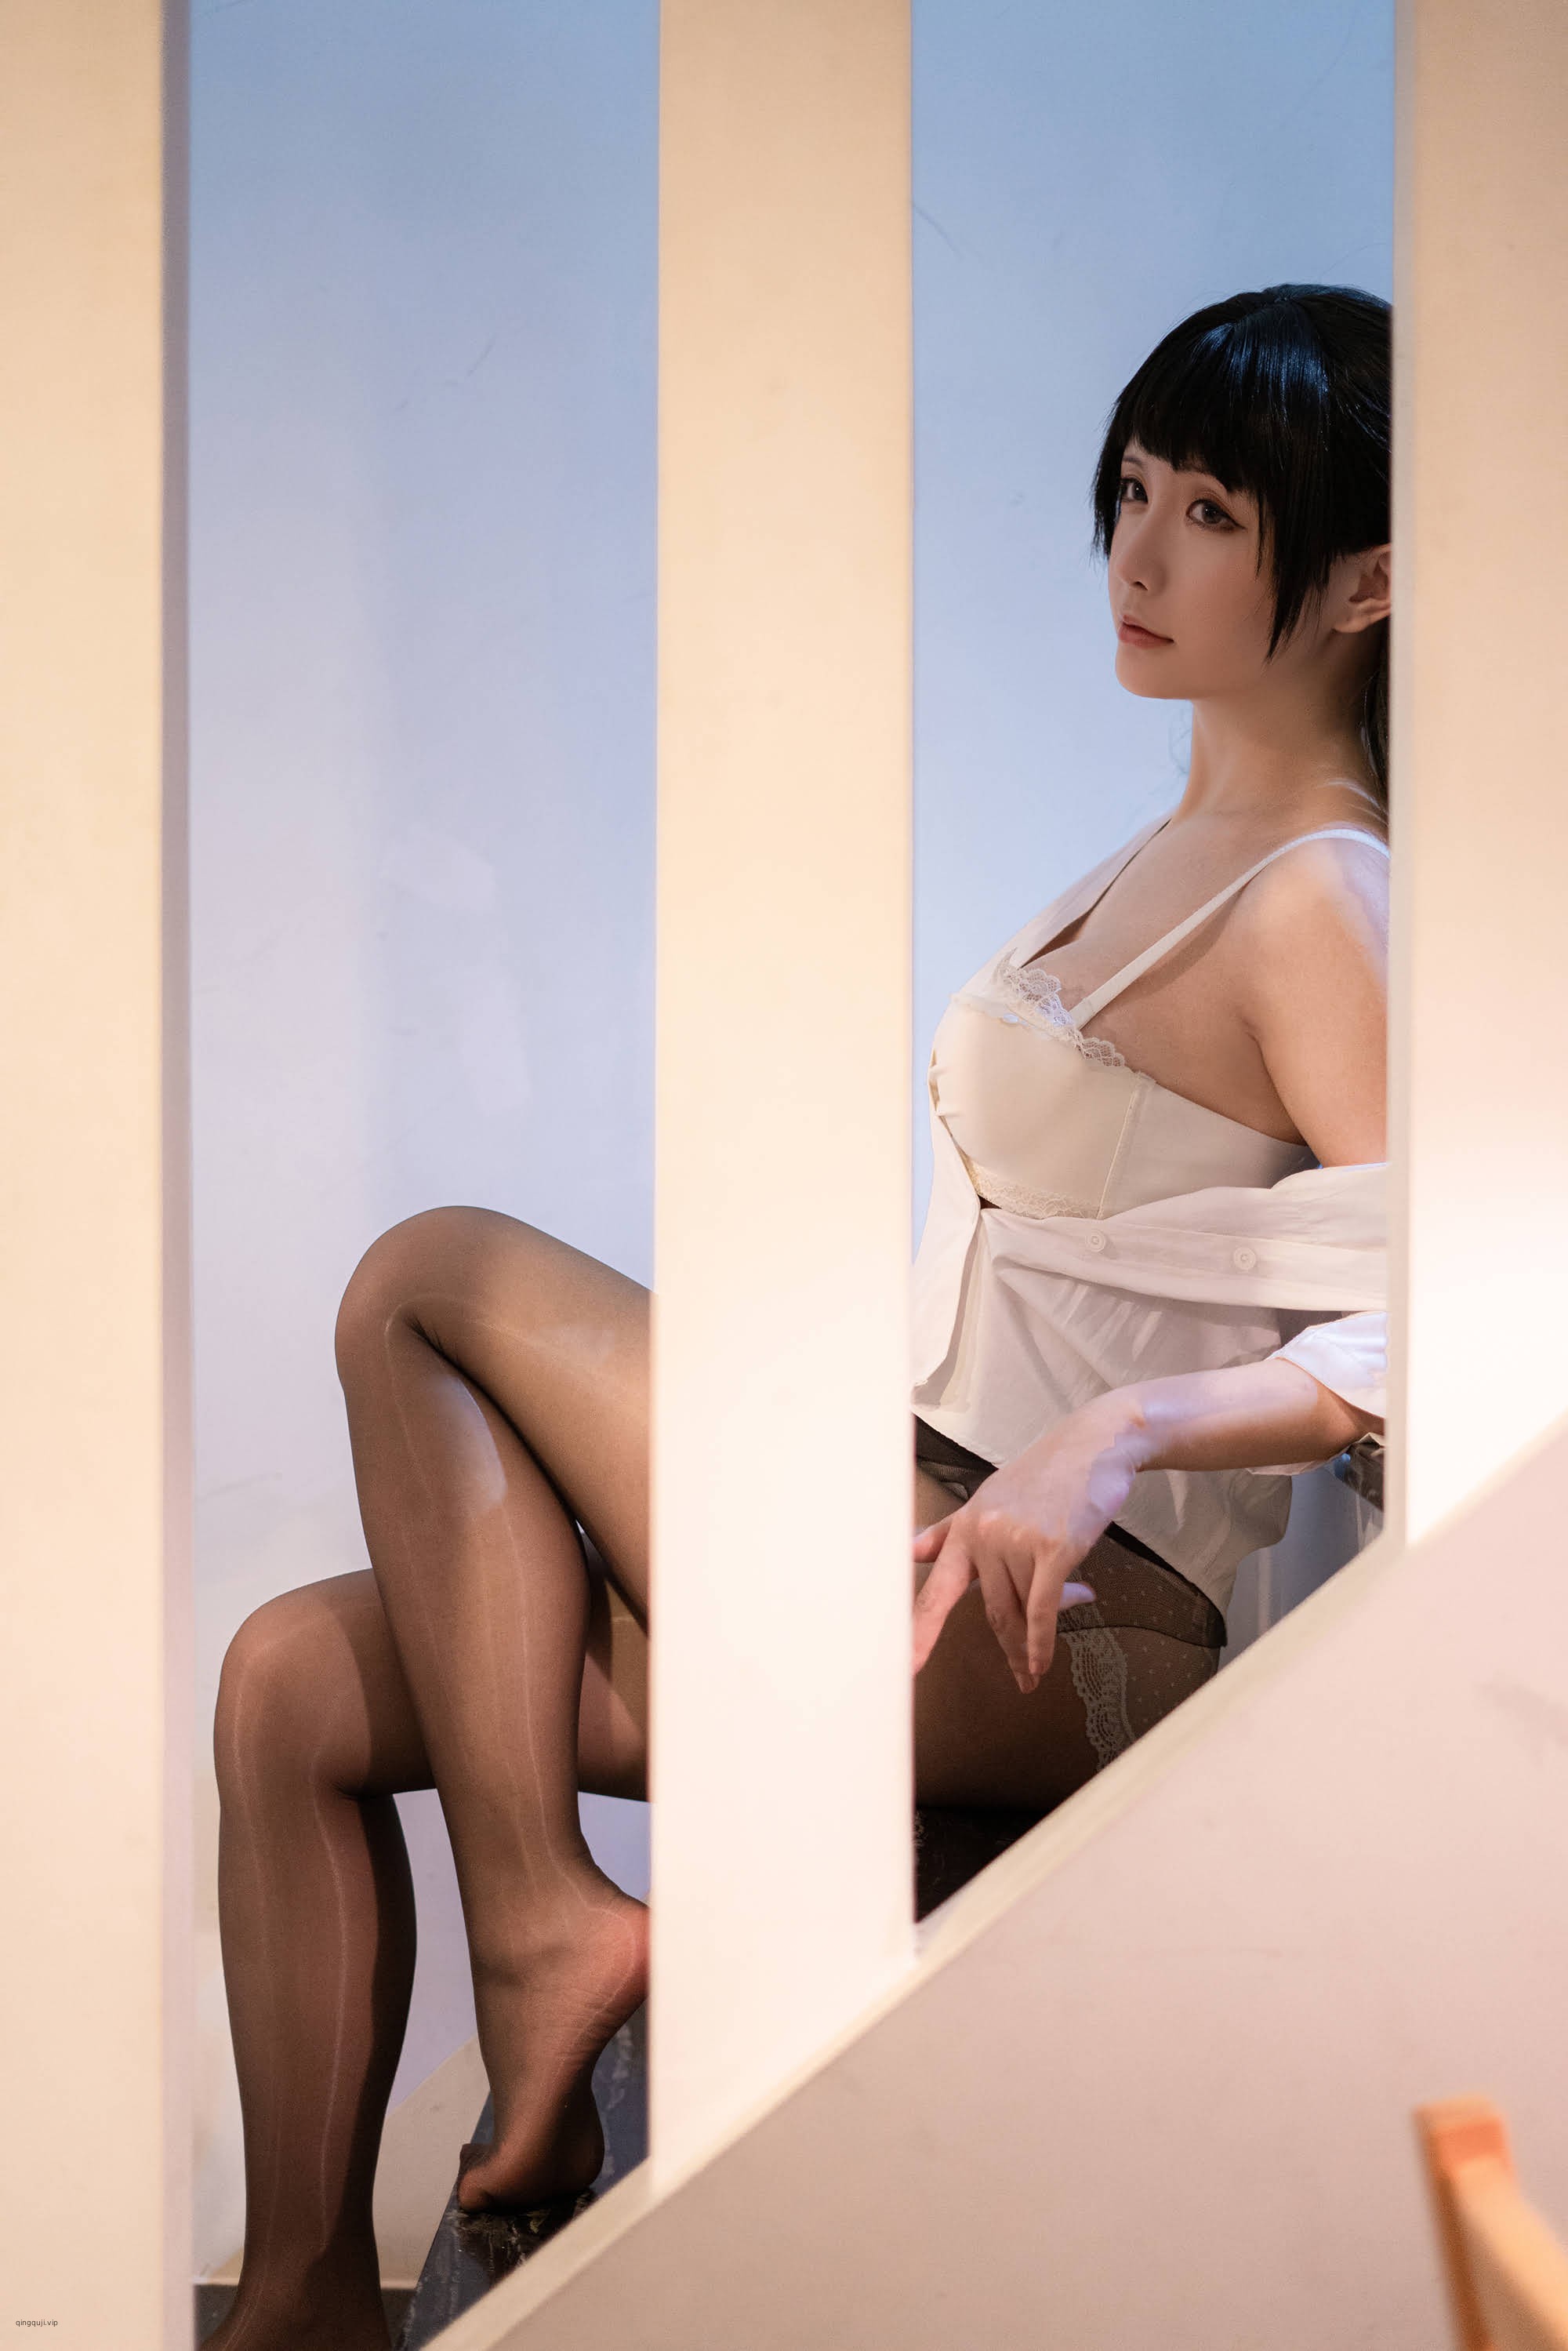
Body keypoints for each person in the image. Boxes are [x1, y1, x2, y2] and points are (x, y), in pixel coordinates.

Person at [209, 282, 1392, 2351]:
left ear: (1368, 580)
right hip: (913, 1514)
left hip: (1080, 1621)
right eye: (1133, 487)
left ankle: (544, 1933)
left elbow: (1463, 1297)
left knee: (431, 1273)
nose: (1138, 551)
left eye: (1213, 511)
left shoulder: (1321, 896)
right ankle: (304, 2297)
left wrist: (1117, 1432)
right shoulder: (1166, 850)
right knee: (288, 1685)